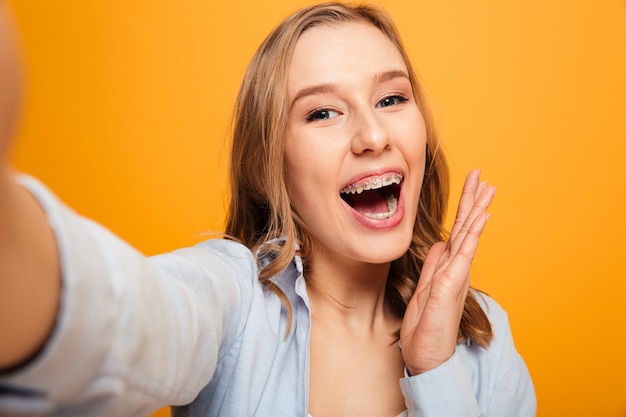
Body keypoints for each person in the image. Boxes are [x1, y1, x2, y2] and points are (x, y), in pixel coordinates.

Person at [0, 1, 536, 416]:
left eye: (391, 99)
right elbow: (132, 322)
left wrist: (436, 372)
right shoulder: (235, 301)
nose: (373, 134)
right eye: (323, 112)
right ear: (271, 165)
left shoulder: (485, 338)